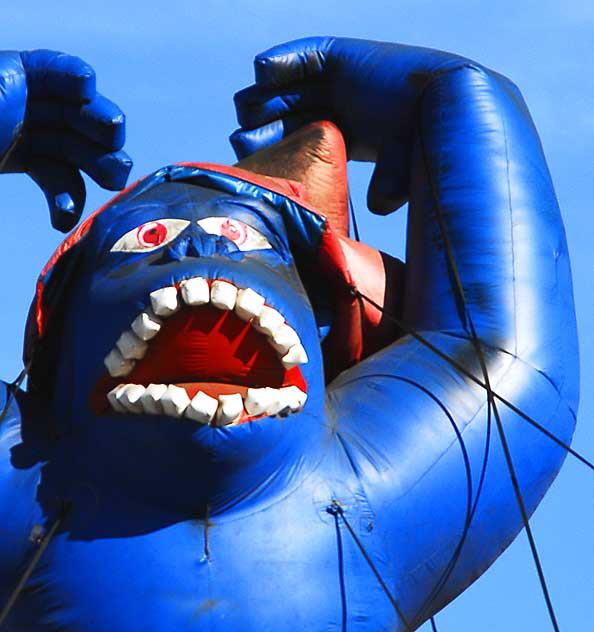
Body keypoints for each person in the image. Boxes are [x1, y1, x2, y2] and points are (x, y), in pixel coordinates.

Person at [0, 38, 579, 631]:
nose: (198, 246)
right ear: (66, 340)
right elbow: (502, 351)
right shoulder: (27, 475)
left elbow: (497, 353)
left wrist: (454, 95)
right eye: (145, 242)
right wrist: (451, 98)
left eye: (242, 236)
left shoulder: (365, 482)